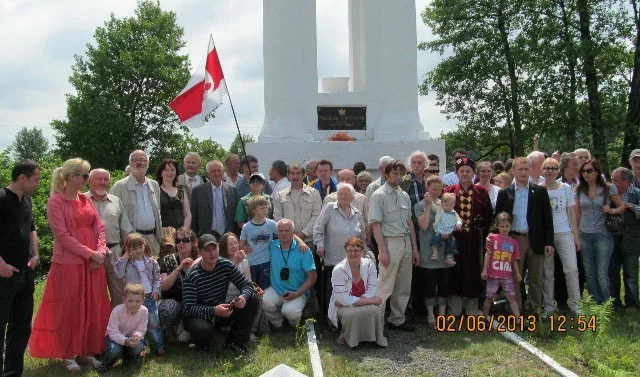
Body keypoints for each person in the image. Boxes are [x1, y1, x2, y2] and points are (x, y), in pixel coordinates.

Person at [29, 158, 111, 372]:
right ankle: (67, 353)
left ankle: (87, 350)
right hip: (69, 263)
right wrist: (90, 254)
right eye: (84, 176)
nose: (87, 180)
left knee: (93, 305)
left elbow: (99, 227)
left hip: (93, 263)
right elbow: (63, 236)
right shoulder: (55, 201)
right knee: (68, 309)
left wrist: (100, 252)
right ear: (71, 177)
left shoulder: (85, 198)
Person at [182, 234, 259, 353]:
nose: (212, 253)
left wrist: (243, 297)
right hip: (199, 316)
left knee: (253, 299)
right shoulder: (192, 275)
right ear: (200, 252)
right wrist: (213, 310)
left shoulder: (225, 265)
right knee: (203, 329)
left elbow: (247, 285)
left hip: (221, 310)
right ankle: (202, 344)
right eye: (207, 250)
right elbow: (188, 308)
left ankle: (235, 341)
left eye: (214, 249)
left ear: (218, 248)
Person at [495, 157, 553, 314]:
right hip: (514, 239)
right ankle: (517, 310)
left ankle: (535, 309)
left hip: (535, 239)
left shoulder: (540, 191)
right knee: (514, 278)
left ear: (531, 170)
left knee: (536, 278)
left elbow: (547, 218)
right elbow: (498, 218)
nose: (523, 172)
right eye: (520, 169)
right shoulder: (504, 193)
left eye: (526, 169)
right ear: (513, 170)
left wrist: (549, 242)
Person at [0, 160, 41, 377]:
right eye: (36, 179)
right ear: (22, 177)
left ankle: (13, 372)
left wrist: (35, 254)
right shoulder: (1, 197)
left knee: (21, 327)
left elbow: (32, 229)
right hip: (3, 275)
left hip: (25, 273)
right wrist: (1, 265)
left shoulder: (27, 200)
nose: (38, 184)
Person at [369, 160, 420, 331]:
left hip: (405, 241)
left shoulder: (404, 195)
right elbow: (375, 224)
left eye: (401, 174)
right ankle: (377, 323)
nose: (398, 177)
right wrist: (382, 250)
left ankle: (397, 319)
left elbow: (409, 223)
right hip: (390, 242)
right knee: (385, 285)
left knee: (403, 285)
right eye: (395, 173)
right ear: (386, 174)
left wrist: (414, 248)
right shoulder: (378, 195)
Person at [445, 157, 493, 316]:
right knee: (455, 271)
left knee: (473, 271)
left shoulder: (482, 192)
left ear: (473, 173)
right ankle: (455, 308)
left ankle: (472, 308)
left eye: (468, 171)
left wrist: (484, 229)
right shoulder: (449, 191)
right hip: (455, 239)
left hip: (474, 239)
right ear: (457, 173)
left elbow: (489, 217)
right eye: (461, 171)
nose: (465, 174)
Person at [576, 159, 624, 304]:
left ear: (597, 172)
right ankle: (594, 301)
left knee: (601, 273)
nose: (586, 174)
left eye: (589, 171)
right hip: (584, 234)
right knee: (589, 273)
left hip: (603, 235)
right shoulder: (579, 190)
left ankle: (606, 302)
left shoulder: (609, 189)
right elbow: (577, 214)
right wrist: (576, 234)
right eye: (583, 171)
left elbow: (621, 207)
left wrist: (611, 210)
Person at [313, 183, 367, 314]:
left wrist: (364, 251)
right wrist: (319, 245)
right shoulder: (330, 208)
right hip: (333, 258)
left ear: (352, 198)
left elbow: (362, 235)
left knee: (349, 289)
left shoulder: (357, 213)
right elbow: (318, 228)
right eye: (340, 194)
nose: (342, 197)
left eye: (345, 194)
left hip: (353, 261)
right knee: (332, 290)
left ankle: (346, 317)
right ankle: (331, 318)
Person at [86, 168, 134, 308]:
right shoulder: (81, 200)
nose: (102, 182)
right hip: (91, 256)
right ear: (89, 181)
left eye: (105, 179)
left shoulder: (116, 201)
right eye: (98, 179)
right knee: (93, 295)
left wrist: (127, 252)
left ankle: (118, 327)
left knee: (120, 293)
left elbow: (125, 228)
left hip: (115, 252)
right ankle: (97, 328)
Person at [540, 158, 582, 315]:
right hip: (546, 236)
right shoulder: (538, 189)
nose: (550, 171)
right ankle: (548, 305)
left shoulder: (565, 188)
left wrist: (575, 236)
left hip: (564, 233)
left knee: (571, 269)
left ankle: (576, 305)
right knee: (547, 273)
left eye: (553, 168)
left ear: (558, 170)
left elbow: (571, 213)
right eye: (547, 168)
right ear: (542, 171)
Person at [329, 237, 386, 348]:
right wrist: (370, 300)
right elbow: (342, 298)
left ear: (362, 251)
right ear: (346, 251)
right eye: (350, 250)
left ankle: (373, 339)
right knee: (352, 313)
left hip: (353, 301)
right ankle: (347, 336)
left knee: (375, 310)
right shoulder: (338, 270)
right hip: (343, 305)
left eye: (356, 250)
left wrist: (359, 301)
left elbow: (372, 289)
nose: (353, 253)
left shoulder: (370, 265)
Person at [414, 176, 455, 327]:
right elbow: (424, 226)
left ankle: (442, 313)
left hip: (444, 250)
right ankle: (431, 314)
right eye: (434, 189)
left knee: (444, 284)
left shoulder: (446, 204)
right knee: (430, 285)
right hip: (428, 250)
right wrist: (427, 206)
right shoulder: (419, 205)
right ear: (427, 189)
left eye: (440, 189)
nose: (437, 192)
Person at [115, 234, 164, 356]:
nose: (138, 250)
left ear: (144, 245)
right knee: (135, 324)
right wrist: (125, 257)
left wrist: (156, 290)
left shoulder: (151, 262)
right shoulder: (126, 263)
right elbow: (119, 274)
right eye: (134, 248)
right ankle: (139, 346)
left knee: (153, 323)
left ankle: (158, 346)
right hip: (134, 299)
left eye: (140, 246)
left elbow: (158, 278)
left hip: (149, 296)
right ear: (128, 250)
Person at [262, 219, 317, 328]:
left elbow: (312, 277)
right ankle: (279, 325)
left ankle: (293, 326)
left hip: (297, 292)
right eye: (280, 230)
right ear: (276, 232)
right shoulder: (272, 245)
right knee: (263, 300)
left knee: (290, 312)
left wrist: (297, 293)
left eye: (287, 230)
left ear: (293, 232)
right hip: (276, 290)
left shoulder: (303, 250)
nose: (283, 233)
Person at [110, 150, 162, 256]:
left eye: (143, 160)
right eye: (135, 160)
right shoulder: (119, 186)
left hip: (152, 238)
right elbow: (114, 216)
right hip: (131, 242)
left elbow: (158, 212)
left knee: (152, 271)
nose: (140, 163)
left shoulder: (154, 185)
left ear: (148, 163)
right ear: (129, 163)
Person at [219, 232, 269, 340]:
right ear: (224, 247)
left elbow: (248, 283)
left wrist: (256, 290)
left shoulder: (245, 262)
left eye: (236, 243)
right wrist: (235, 263)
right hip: (225, 299)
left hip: (240, 296)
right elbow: (222, 283)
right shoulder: (220, 262)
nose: (234, 246)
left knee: (257, 297)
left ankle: (252, 330)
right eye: (230, 244)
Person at [97, 283, 148, 373]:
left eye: (138, 301)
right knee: (114, 349)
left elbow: (141, 329)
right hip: (114, 338)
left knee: (138, 346)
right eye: (130, 301)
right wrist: (125, 341)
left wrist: (136, 337)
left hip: (131, 337)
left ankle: (128, 359)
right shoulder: (117, 310)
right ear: (124, 300)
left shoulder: (144, 311)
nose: (134, 304)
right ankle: (107, 363)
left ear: (143, 300)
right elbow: (112, 332)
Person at [158, 228, 197, 343]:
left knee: (185, 338)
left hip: (193, 303)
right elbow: (164, 286)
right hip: (173, 302)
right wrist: (178, 269)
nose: (181, 243)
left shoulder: (200, 260)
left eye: (185, 240)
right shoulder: (167, 260)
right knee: (168, 309)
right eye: (178, 240)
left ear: (193, 242)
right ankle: (167, 331)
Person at [610, 167, 640, 310]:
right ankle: (614, 303)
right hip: (612, 238)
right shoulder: (609, 193)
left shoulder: (637, 194)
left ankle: (632, 304)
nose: (612, 182)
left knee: (631, 273)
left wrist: (630, 207)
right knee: (612, 272)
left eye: (615, 180)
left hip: (631, 239)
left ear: (627, 181)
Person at [481, 212, 521, 318]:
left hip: (507, 275)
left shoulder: (514, 242)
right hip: (493, 273)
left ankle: (518, 319)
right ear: (497, 226)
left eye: (507, 226)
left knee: (511, 297)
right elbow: (487, 254)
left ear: (511, 226)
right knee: (489, 297)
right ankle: (484, 316)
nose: (505, 229)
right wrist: (484, 270)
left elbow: (514, 259)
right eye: (502, 226)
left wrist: (517, 273)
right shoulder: (493, 238)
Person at [272, 163, 322, 248]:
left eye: (298, 173)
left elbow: (317, 216)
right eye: (292, 173)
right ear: (288, 175)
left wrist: (303, 233)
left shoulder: (314, 193)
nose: (295, 176)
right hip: (286, 241)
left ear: (303, 175)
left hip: (308, 241)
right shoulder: (280, 195)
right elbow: (277, 217)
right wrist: (289, 234)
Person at [190, 160, 239, 238]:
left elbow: (236, 216)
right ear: (207, 174)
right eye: (213, 171)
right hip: (206, 236)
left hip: (228, 236)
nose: (217, 174)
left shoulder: (232, 190)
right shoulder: (198, 191)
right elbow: (193, 216)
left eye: (219, 170)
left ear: (223, 172)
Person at [239, 196, 278, 289]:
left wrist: (300, 242)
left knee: (265, 288)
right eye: (261, 208)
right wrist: (244, 247)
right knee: (252, 288)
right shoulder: (246, 227)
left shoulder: (271, 224)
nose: (265, 210)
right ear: (254, 210)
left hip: (265, 261)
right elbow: (241, 244)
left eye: (266, 208)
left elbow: (286, 232)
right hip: (251, 262)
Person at [157, 159, 192, 231]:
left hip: (180, 234)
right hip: (162, 234)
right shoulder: (155, 190)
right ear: (161, 173)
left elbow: (187, 214)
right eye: (166, 170)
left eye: (173, 170)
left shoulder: (181, 190)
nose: (170, 172)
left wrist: (184, 229)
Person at [430, 193, 462, 265]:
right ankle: (434, 252)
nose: (448, 207)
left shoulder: (454, 212)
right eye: (446, 205)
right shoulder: (440, 209)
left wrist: (459, 224)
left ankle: (449, 257)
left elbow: (458, 219)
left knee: (452, 242)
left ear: (454, 204)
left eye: (450, 205)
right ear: (442, 204)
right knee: (435, 238)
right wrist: (431, 201)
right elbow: (433, 205)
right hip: (439, 230)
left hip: (449, 232)